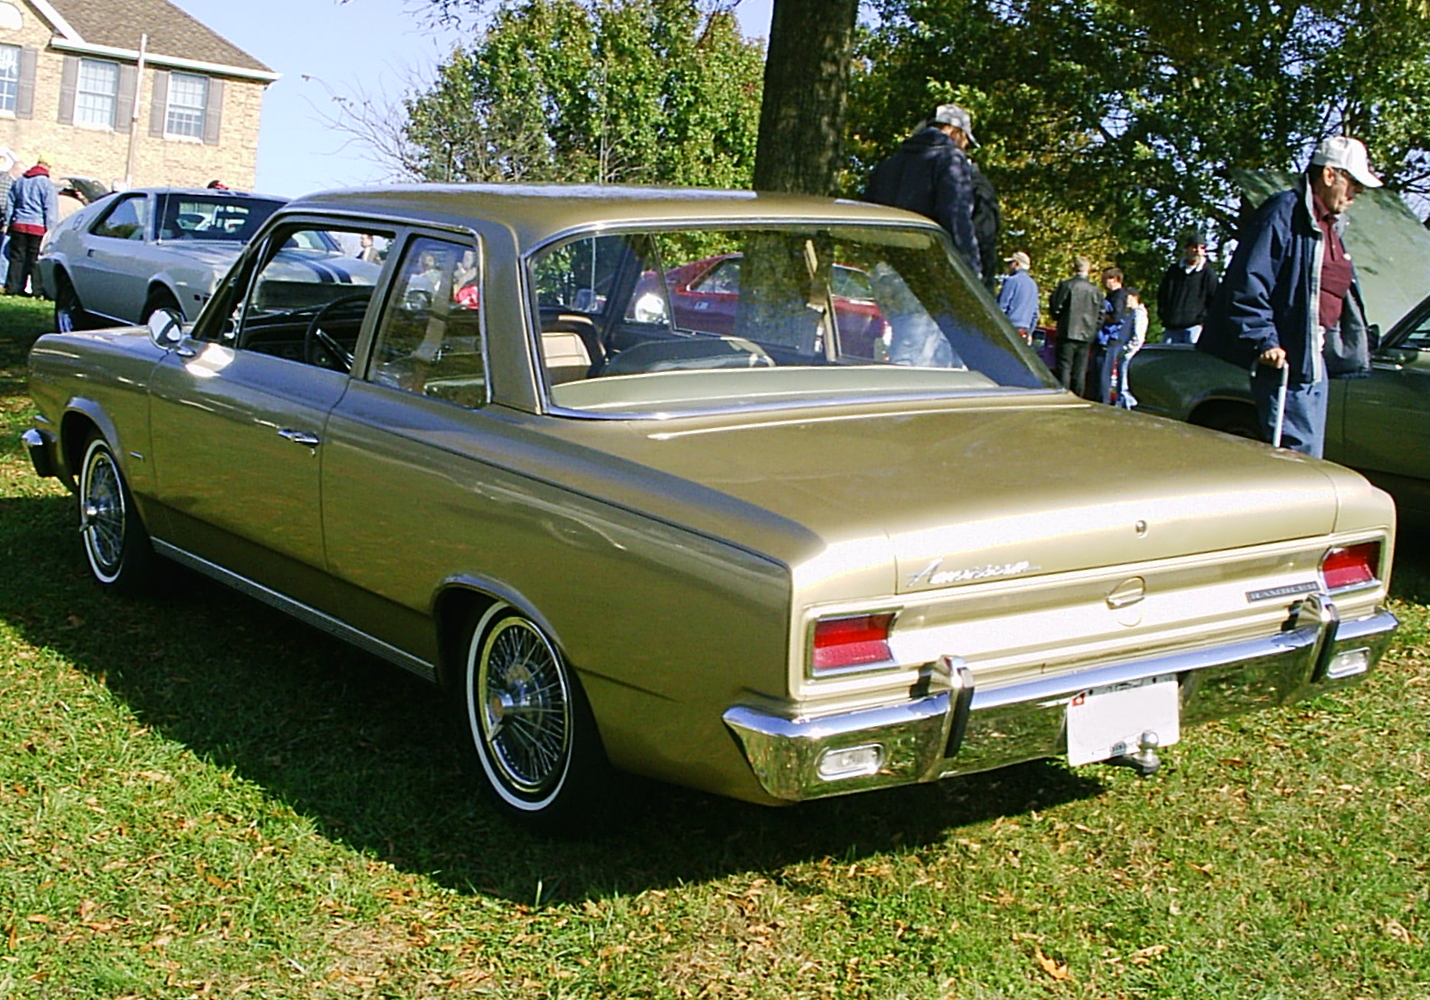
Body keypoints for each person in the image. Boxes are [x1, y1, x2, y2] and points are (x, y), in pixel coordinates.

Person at [1198, 135, 1380, 457]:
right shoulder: (1284, 212)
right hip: (1288, 359)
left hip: (1315, 357)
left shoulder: (1330, 225)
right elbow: (1248, 280)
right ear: (1329, 175)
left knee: (1308, 453)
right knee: (1295, 454)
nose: (1357, 193)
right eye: (1353, 183)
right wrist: (1264, 340)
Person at [864, 103, 983, 278]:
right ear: (953, 130)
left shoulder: (889, 164)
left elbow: (869, 213)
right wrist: (971, 271)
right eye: (965, 139)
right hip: (926, 270)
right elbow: (956, 217)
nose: (964, 147)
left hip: (886, 268)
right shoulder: (951, 160)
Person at [4, 153, 58, 296]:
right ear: (48, 167)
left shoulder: (20, 181)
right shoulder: (47, 184)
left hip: (18, 224)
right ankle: (37, 291)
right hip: (37, 227)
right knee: (35, 260)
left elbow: (10, 204)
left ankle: (13, 287)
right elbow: (50, 209)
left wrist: (9, 222)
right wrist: (51, 230)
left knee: (16, 259)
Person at [1049, 256, 1103, 397]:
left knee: (1064, 367)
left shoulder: (1067, 285)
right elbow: (1101, 314)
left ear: (1074, 268)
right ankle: (1078, 396)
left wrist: (1058, 318)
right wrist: (1093, 330)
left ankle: (1063, 395)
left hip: (1067, 331)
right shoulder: (1096, 291)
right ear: (1089, 269)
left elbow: (1056, 306)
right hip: (1086, 335)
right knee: (1080, 369)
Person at [1157, 231, 1219, 344]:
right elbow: (1163, 294)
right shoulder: (1174, 271)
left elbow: (1214, 300)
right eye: (1194, 247)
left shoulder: (1208, 273)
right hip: (1171, 328)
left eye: (1201, 248)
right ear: (1187, 249)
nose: (1197, 251)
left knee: (1192, 360)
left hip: (1194, 328)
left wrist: (1204, 321)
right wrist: (1164, 315)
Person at [1113, 287, 1149, 408]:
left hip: (1129, 355)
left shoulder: (1139, 314)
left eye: (1127, 298)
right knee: (1120, 385)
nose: (1125, 301)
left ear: (1134, 297)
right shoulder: (1131, 314)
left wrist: (1126, 350)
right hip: (1124, 354)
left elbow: (1138, 337)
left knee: (1124, 388)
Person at [996, 250, 1039, 341]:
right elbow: (1035, 314)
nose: (1008, 266)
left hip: (1010, 327)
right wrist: (1030, 332)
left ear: (1016, 264)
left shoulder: (1012, 281)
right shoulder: (1033, 285)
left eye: (1010, 263)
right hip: (1025, 331)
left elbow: (1001, 307)